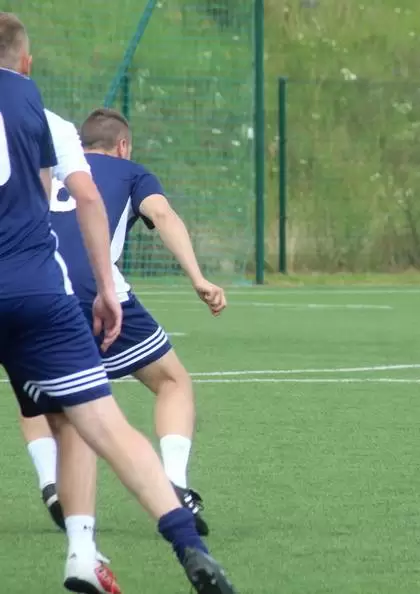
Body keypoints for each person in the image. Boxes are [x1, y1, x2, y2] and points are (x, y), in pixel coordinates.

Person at [0, 12, 237, 594]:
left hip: (35, 288)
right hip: (37, 288)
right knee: (96, 416)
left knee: (50, 408)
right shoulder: (45, 117)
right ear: (27, 63)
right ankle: (174, 542)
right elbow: (86, 199)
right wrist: (109, 288)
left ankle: (67, 516)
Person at [22, 107, 225, 540]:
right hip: (95, 292)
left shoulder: (52, 166)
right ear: (123, 145)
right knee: (172, 381)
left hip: (36, 287)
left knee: (38, 390)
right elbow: (163, 215)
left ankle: (52, 485)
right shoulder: (132, 173)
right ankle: (175, 485)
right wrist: (198, 277)